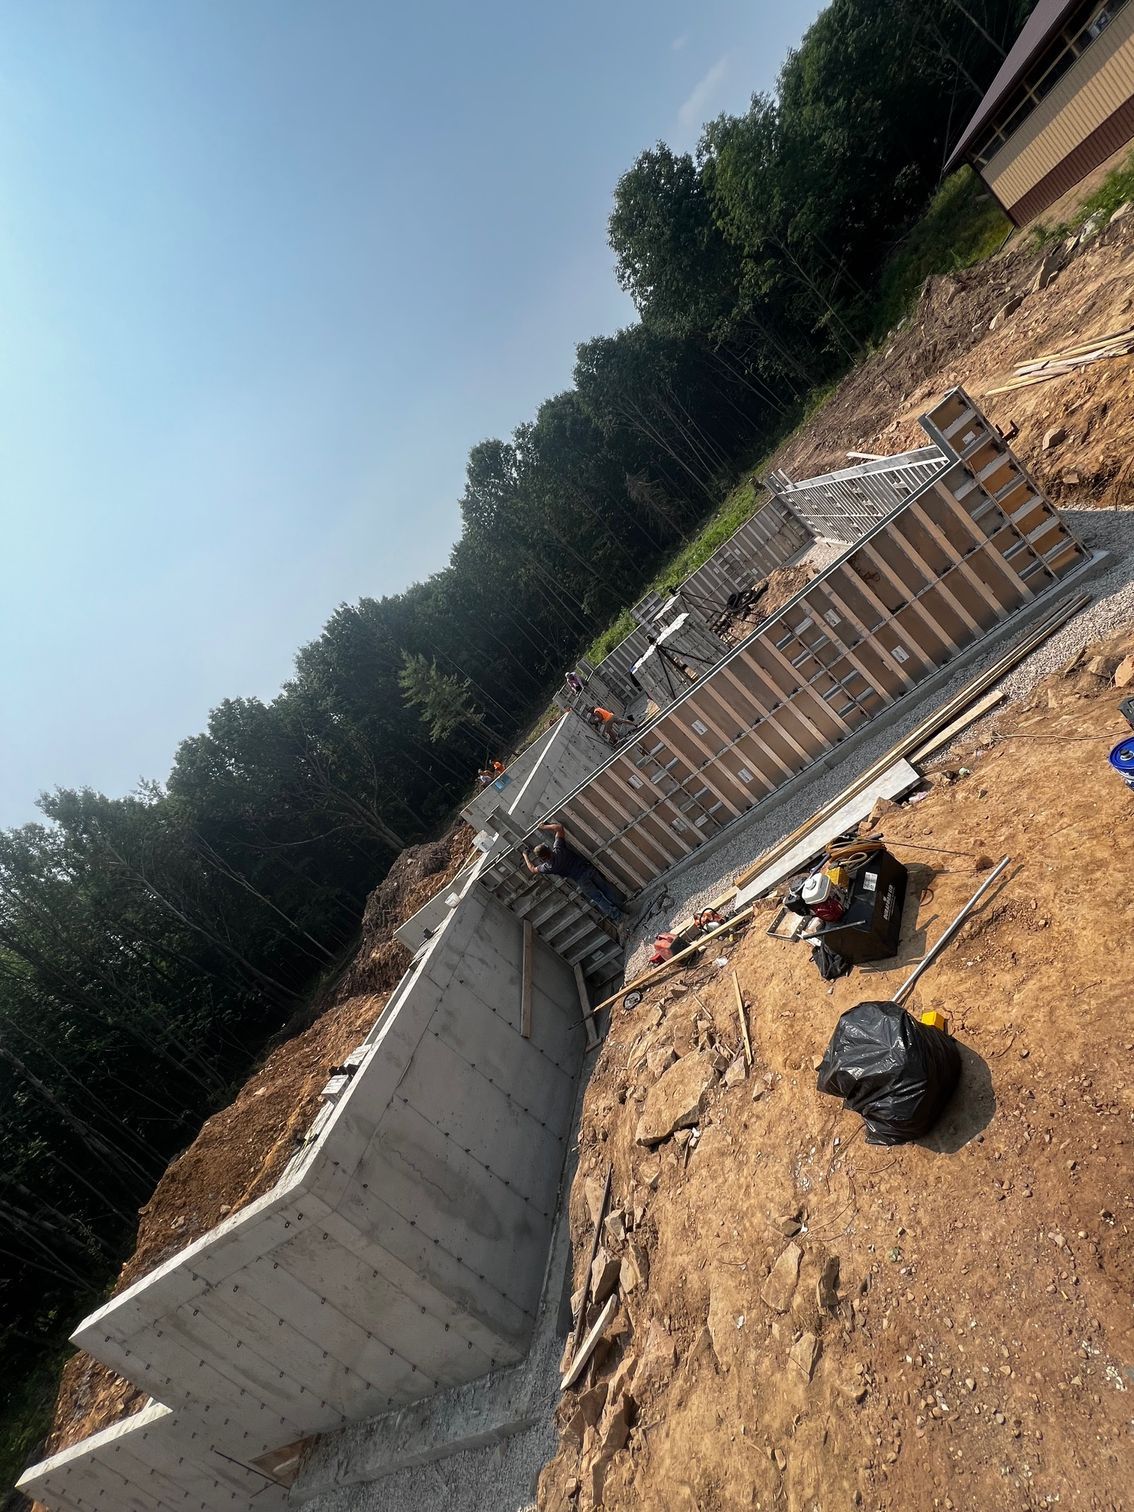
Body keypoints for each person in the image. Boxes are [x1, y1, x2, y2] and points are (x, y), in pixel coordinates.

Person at [522, 820, 625, 922]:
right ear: (548, 848)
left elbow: (532, 869)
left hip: (580, 880)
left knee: (598, 899)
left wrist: (525, 855)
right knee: (606, 889)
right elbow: (559, 828)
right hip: (587, 869)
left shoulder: (548, 867)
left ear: (542, 858)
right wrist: (543, 826)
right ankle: (624, 908)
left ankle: (619, 917)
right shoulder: (559, 849)